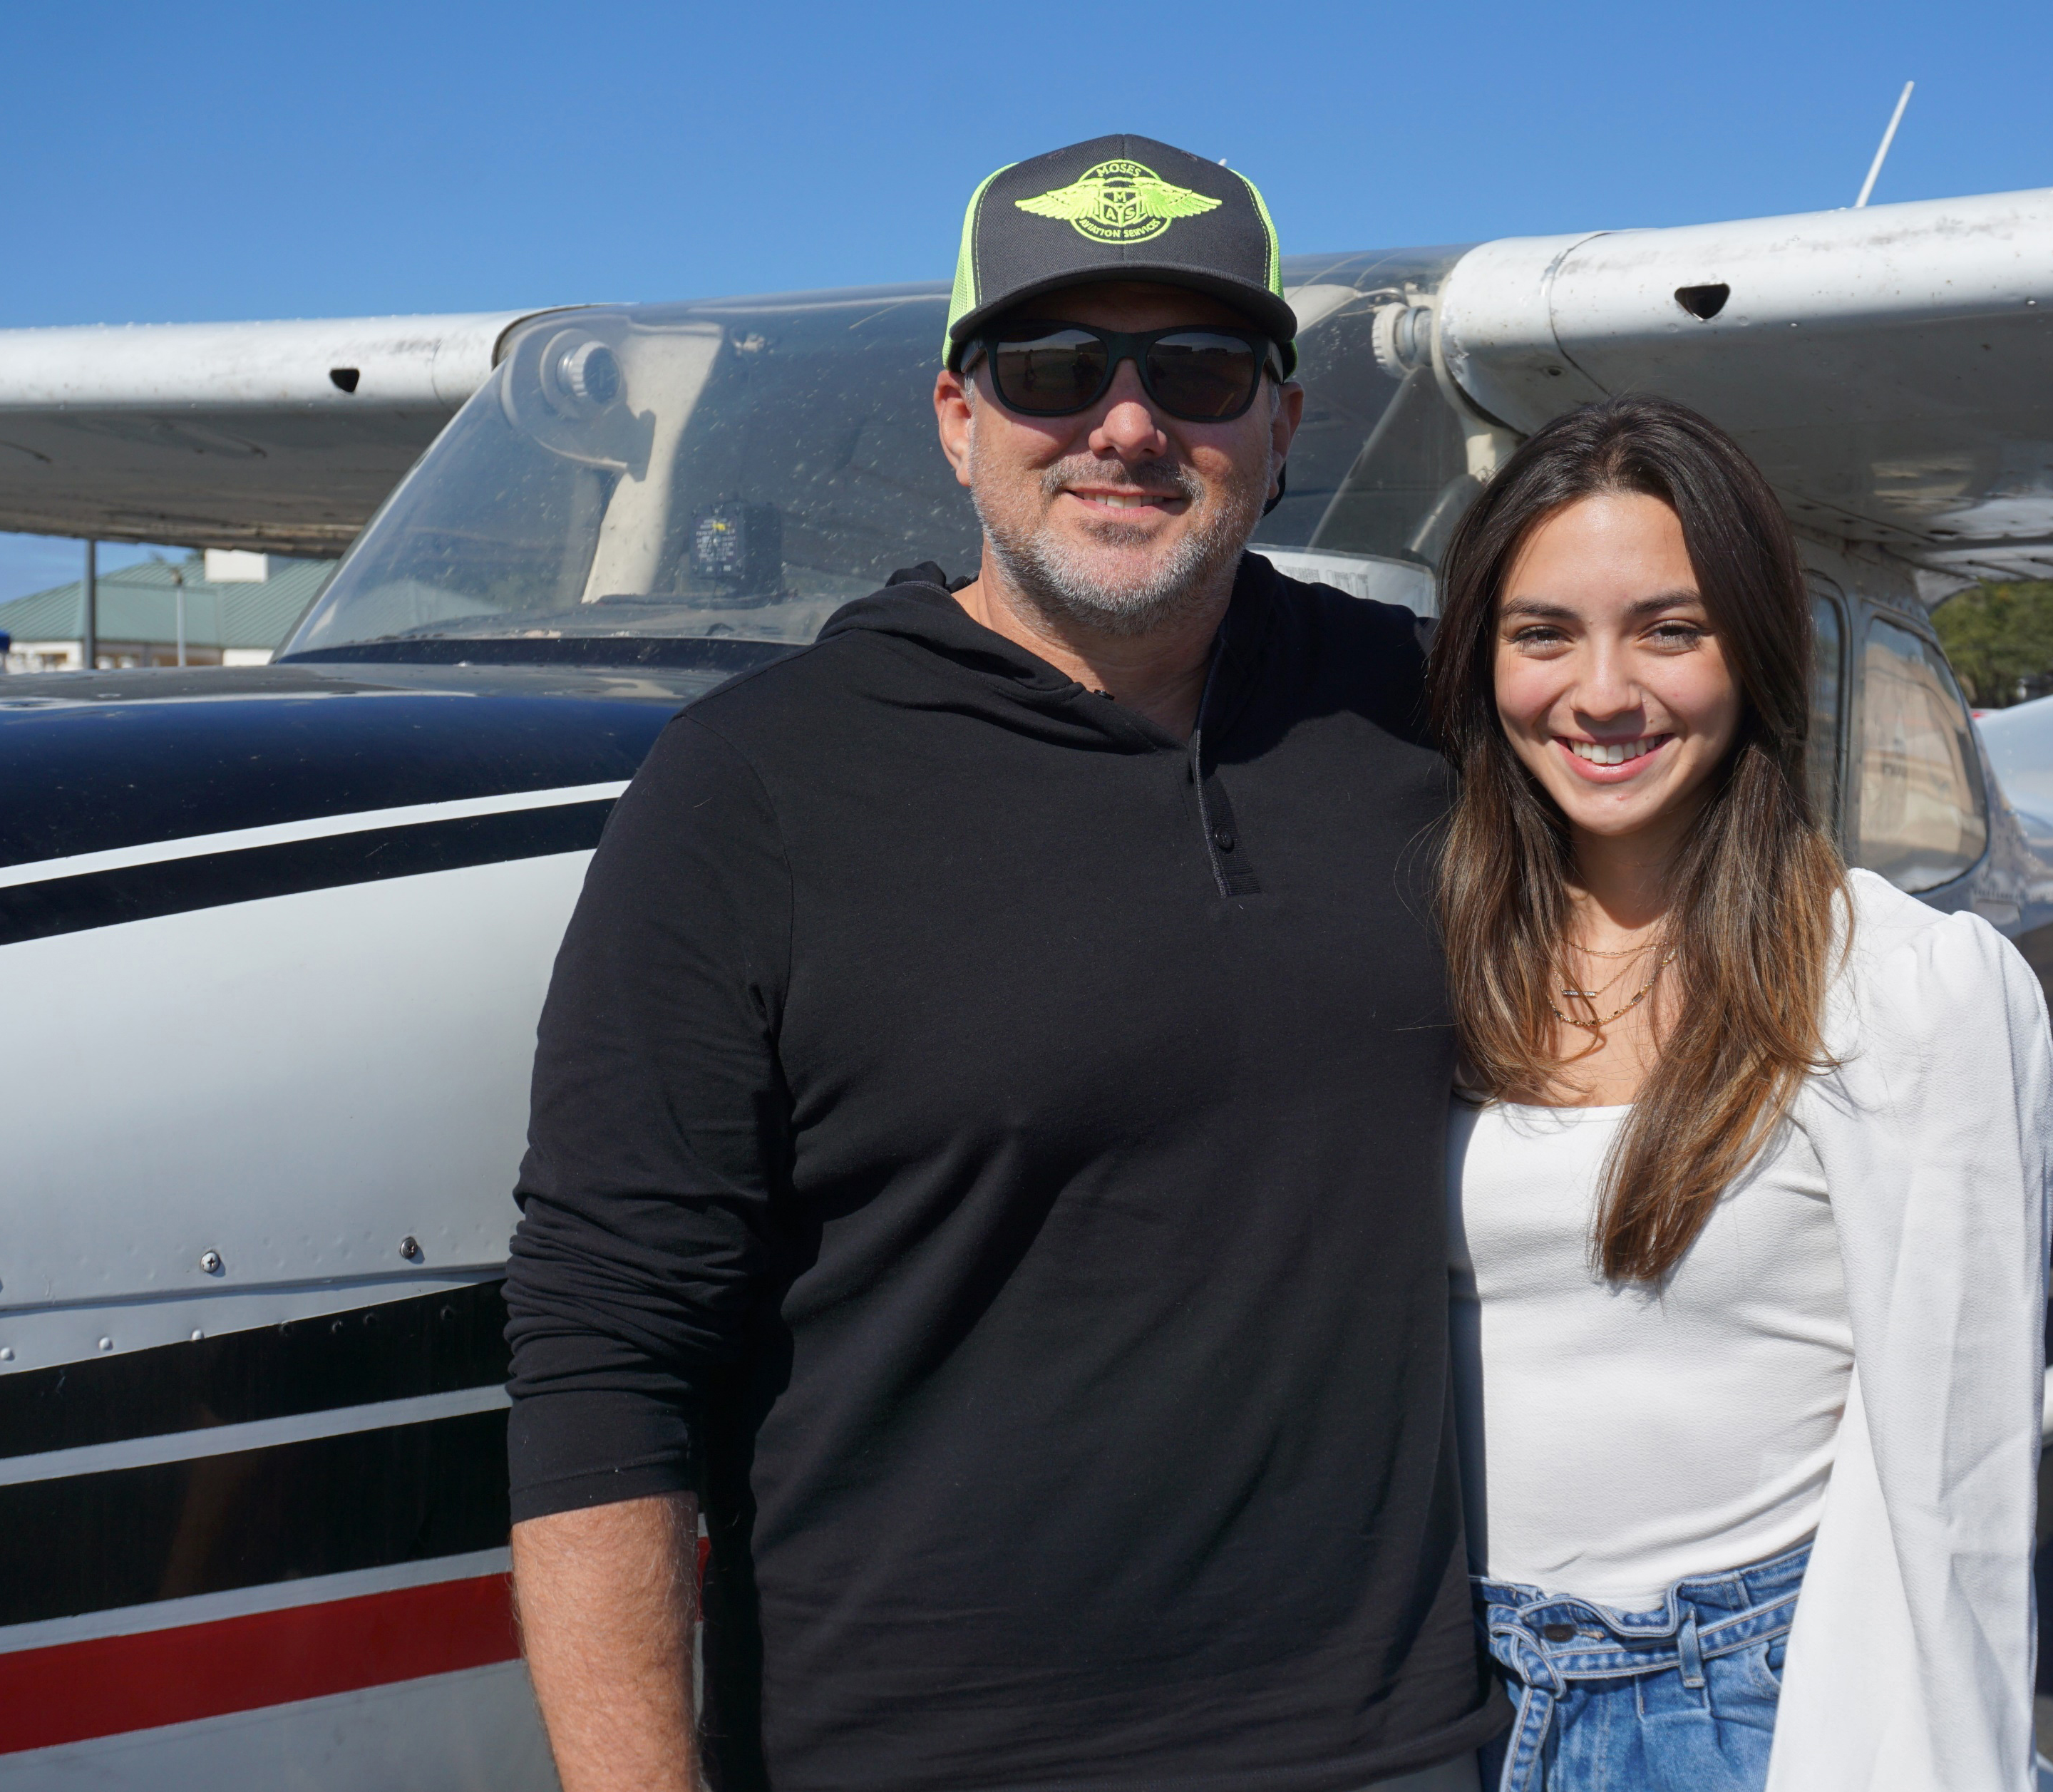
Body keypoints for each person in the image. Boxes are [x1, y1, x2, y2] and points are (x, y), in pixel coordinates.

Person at [499, 134, 1502, 1792]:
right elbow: (606, 1343)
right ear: (957, 419)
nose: (1125, 423)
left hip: (1382, 1753)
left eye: (1196, 369)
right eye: (1050, 368)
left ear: (1281, 425)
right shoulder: (750, 785)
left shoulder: (1422, 711)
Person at [1429, 396, 2053, 1791]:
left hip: (1724, 1703)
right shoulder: (1417, 958)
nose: (1600, 692)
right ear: (1480, 661)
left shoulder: (1902, 988)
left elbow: (1953, 1490)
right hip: (1418, 1692)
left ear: (1752, 651)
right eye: (1542, 634)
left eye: (1669, 628)